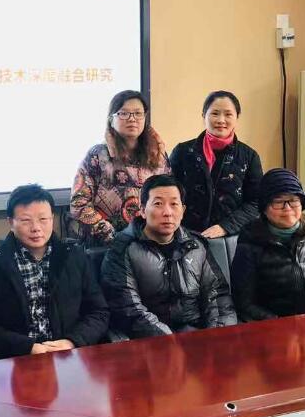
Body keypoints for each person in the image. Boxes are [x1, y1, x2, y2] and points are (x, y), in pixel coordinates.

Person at [0, 184, 109, 359]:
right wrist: (27, 347)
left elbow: (98, 312)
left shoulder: (74, 257)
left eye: (43, 219)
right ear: (11, 223)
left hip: (68, 355)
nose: (36, 227)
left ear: (52, 219)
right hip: (18, 359)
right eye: (26, 220)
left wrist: (72, 341)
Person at [101, 174, 236, 337]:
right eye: (158, 204)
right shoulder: (122, 249)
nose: (167, 212)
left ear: (183, 211)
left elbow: (218, 297)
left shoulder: (196, 246)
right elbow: (127, 309)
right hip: (149, 341)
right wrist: (171, 342)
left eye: (174, 204)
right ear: (142, 210)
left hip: (196, 336)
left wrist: (217, 337)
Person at [230, 168, 305, 321]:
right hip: (276, 329)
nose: (287, 208)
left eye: (293, 200)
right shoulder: (250, 245)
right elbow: (244, 303)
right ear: (264, 208)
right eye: (278, 202)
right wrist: (283, 325)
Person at [69, 90, 171, 246]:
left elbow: (169, 198)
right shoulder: (98, 155)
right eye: (124, 113)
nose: (132, 119)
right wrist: (113, 237)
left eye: (138, 113)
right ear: (111, 119)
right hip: (108, 246)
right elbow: (79, 203)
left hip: (151, 243)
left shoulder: (158, 156)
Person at [169, 90, 263, 238]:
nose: (221, 120)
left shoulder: (249, 156)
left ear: (237, 117)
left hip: (232, 238)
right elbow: (169, 193)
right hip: (186, 235)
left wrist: (226, 227)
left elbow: (256, 202)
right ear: (204, 116)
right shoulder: (183, 152)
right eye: (215, 113)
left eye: (228, 114)